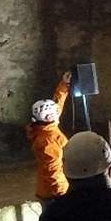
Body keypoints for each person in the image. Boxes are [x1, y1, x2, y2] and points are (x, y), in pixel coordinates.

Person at [28, 71, 73, 203]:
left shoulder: (44, 127)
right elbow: (53, 172)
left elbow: (57, 103)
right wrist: (65, 193)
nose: (57, 112)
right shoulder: (48, 141)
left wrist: (64, 85)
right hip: (53, 194)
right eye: (54, 112)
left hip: (47, 190)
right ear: (49, 117)